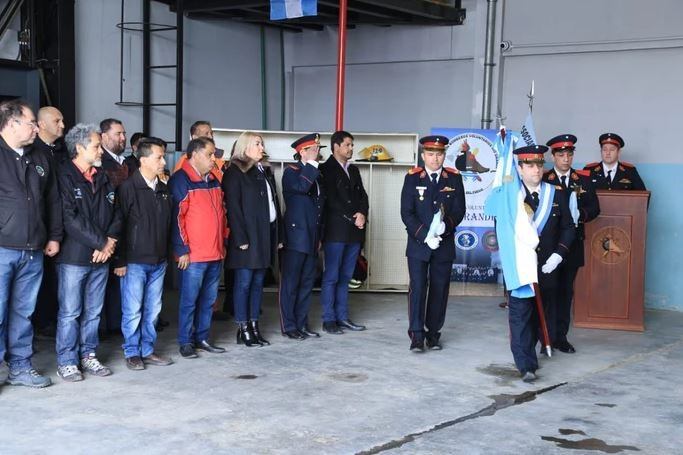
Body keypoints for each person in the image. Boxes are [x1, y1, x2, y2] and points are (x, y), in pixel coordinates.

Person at [0, 99, 61, 388]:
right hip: (2, 248)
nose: (36, 128)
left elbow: (53, 199)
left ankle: (20, 367)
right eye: (30, 122)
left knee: (24, 312)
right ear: (11, 124)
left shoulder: (40, 156)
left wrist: (54, 235)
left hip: (34, 248)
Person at [55, 123, 121, 382]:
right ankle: (67, 361)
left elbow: (117, 213)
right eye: (96, 146)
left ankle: (88, 355)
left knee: (94, 311)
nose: (101, 150)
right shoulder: (64, 176)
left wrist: (110, 241)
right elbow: (70, 219)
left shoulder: (103, 176)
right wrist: (101, 243)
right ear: (80, 148)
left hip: (101, 257)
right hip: (75, 256)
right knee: (71, 312)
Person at [507, 145, 574, 382]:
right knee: (520, 314)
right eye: (530, 165)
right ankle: (526, 364)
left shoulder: (556, 194)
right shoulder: (510, 196)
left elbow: (568, 227)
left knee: (541, 314)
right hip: (520, 267)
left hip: (548, 267)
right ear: (520, 168)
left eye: (539, 165)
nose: (536, 170)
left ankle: (535, 348)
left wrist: (559, 254)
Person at [400, 135, 466, 352]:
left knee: (439, 290)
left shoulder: (454, 178)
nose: (435, 159)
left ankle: (433, 333)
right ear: (423, 155)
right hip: (419, 245)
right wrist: (425, 235)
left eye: (439, 154)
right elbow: (406, 212)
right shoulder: (413, 178)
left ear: (444, 155)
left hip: (444, 245)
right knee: (418, 288)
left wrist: (446, 227)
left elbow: (459, 210)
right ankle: (416, 335)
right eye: (430, 154)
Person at [113, 137, 173, 370]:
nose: (163, 161)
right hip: (135, 261)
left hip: (158, 260)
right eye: (159, 157)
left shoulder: (164, 189)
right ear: (144, 160)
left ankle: (147, 350)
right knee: (133, 309)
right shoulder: (128, 188)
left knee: (153, 310)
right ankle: (132, 351)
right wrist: (120, 260)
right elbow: (119, 225)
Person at [169, 137, 228, 358]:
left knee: (208, 301)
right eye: (210, 154)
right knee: (189, 301)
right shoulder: (181, 180)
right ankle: (185, 341)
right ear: (194, 155)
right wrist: (181, 249)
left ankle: (202, 337)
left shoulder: (213, 179)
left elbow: (221, 214)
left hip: (214, 252)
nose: (214, 159)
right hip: (193, 255)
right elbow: (176, 219)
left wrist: (223, 242)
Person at [223, 132, 283, 347]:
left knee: (258, 283)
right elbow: (233, 208)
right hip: (247, 239)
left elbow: (274, 204)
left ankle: (254, 325)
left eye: (262, 143)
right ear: (245, 147)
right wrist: (240, 237)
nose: (261, 147)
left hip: (264, 235)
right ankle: (243, 327)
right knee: (244, 283)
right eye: (257, 143)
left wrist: (278, 235)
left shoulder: (263, 171)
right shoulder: (235, 172)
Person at [543, 134, 600, 354]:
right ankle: (545, 336)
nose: (566, 159)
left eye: (569, 154)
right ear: (553, 156)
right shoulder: (545, 179)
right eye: (561, 155)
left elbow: (595, 208)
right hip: (549, 245)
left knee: (566, 292)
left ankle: (560, 337)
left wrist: (581, 214)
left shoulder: (583, 179)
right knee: (549, 291)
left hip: (573, 244)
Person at [318, 131, 368, 334]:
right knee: (331, 276)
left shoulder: (353, 170)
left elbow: (362, 196)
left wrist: (362, 213)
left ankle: (342, 317)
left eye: (352, 145)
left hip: (354, 232)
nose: (351, 148)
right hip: (335, 232)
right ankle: (329, 319)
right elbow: (330, 200)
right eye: (347, 145)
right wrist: (352, 216)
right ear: (336, 146)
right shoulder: (325, 169)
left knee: (346, 277)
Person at [278, 133, 326, 340]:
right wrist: (312, 164)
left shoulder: (316, 173)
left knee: (307, 283)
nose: (318, 153)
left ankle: (302, 323)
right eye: (314, 150)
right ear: (302, 152)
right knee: (291, 284)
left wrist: (320, 235)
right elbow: (301, 187)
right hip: (296, 236)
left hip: (312, 236)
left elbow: (320, 207)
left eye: (318, 149)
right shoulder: (292, 172)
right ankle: (289, 326)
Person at [33, 106, 67, 337]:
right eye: (57, 121)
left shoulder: (62, 151)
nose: (62, 125)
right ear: (41, 124)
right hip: (40, 227)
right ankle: (41, 321)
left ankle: (51, 319)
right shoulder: (33, 153)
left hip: (61, 224)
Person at [99, 118, 130, 336]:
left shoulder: (125, 163)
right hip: (105, 232)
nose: (123, 138)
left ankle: (115, 324)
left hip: (125, 228)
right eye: (118, 133)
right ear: (103, 136)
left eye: (123, 133)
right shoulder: (101, 164)